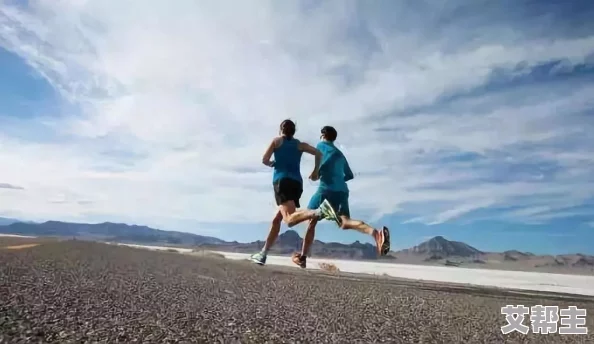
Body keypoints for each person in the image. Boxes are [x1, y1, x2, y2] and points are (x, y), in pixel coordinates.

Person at [291, 125, 391, 268]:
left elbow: (319, 162)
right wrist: (337, 179)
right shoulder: (340, 154)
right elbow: (349, 175)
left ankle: (302, 257)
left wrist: (317, 174)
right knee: (345, 222)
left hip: (325, 190)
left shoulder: (320, 145)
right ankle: (376, 234)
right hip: (342, 191)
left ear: (323, 135)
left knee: (311, 220)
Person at [250, 120, 337, 265]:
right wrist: (315, 171)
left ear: (280, 130)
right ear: (294, 131)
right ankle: (263, 253)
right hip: (297, 184)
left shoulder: (276, 141)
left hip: (282, 182)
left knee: (289, 219)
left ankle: (319, 211)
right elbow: (318, 153)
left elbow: (264, 159)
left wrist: (272, 163)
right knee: (277, 219)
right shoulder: (299, 145)